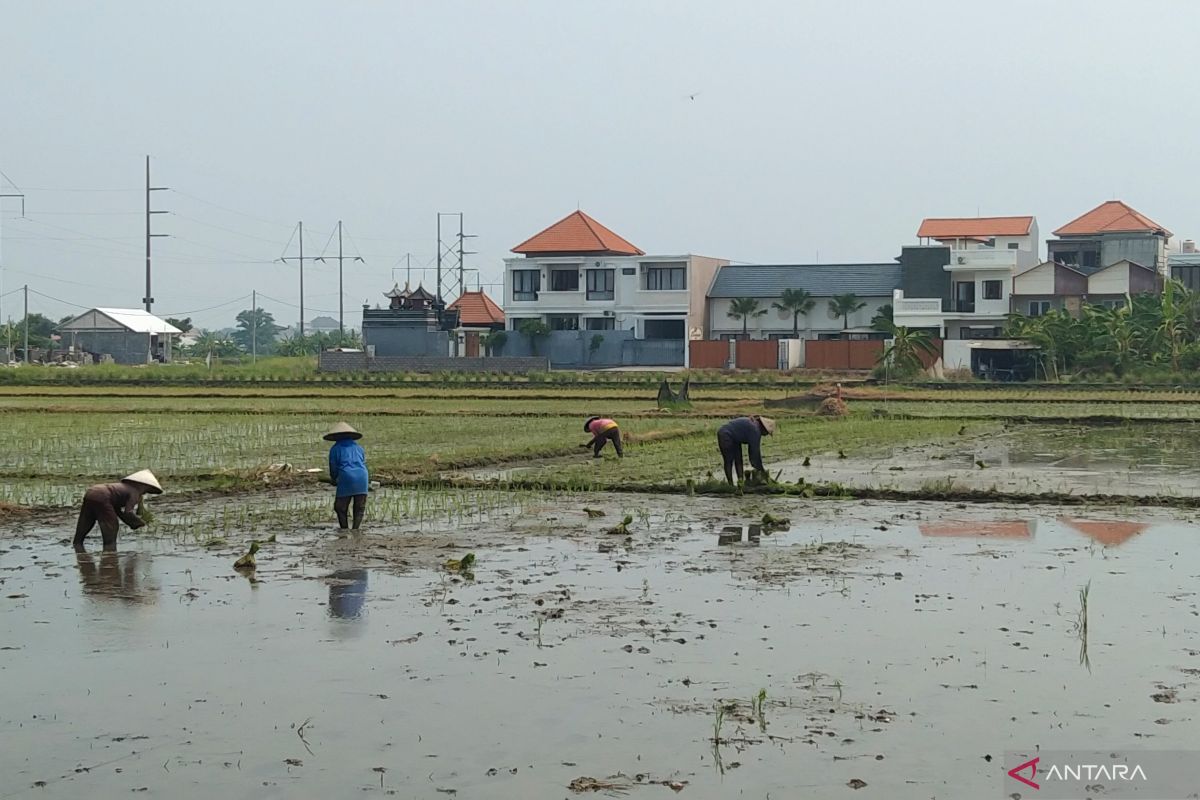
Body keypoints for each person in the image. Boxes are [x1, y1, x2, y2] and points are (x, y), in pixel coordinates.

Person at [73, 470, 163, 550]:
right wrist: (139, 522)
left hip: (91, 492)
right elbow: (128, 512)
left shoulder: (123, 488)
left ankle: (77, 544)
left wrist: (130, 523)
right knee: (111, 526)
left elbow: (117, 511)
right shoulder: (134, 492)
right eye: (146, 490)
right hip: (103, 495)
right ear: (142, 486)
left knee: (86, 520)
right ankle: (109, 552)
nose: (144, 493)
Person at [325, 422, 369, 530]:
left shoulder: (335, 449)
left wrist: (334, 479)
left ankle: (344, 529)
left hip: (346, 477)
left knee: (340, 507)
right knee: (359, 507)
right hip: (362, 476)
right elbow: (362, 462)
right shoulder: (359, 448)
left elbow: (333, 467)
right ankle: (356, 529)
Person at [716, 416, 776, 485]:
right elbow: (755, 453)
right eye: (767, 433)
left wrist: (757, 466)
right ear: (764, 429)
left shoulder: (754, 426)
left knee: (739, 460)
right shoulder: (755, 431)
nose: (765, 435)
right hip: (725, 434)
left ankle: (740, 482)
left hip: (736, 438)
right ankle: (730, 484)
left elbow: (752, 452)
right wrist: (761, 470)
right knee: (729, 460)